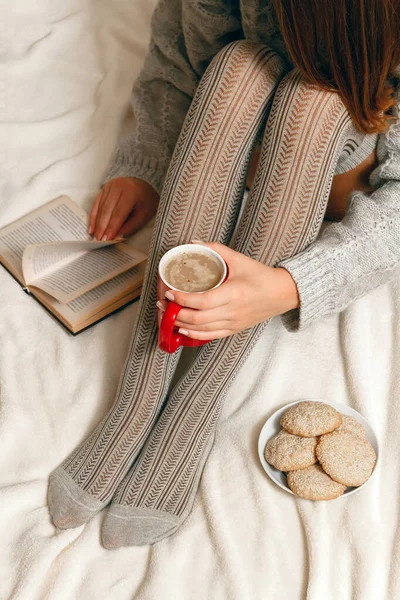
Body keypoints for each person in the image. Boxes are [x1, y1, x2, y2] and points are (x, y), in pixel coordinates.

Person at [48, 0, 400, 548]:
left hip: (349, 135)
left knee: (314, 102)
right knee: (235, 61)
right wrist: (147, 158)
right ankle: (141, 392)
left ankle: (198, 399)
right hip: (241, 126)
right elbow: (177, 54)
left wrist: (290, 286)